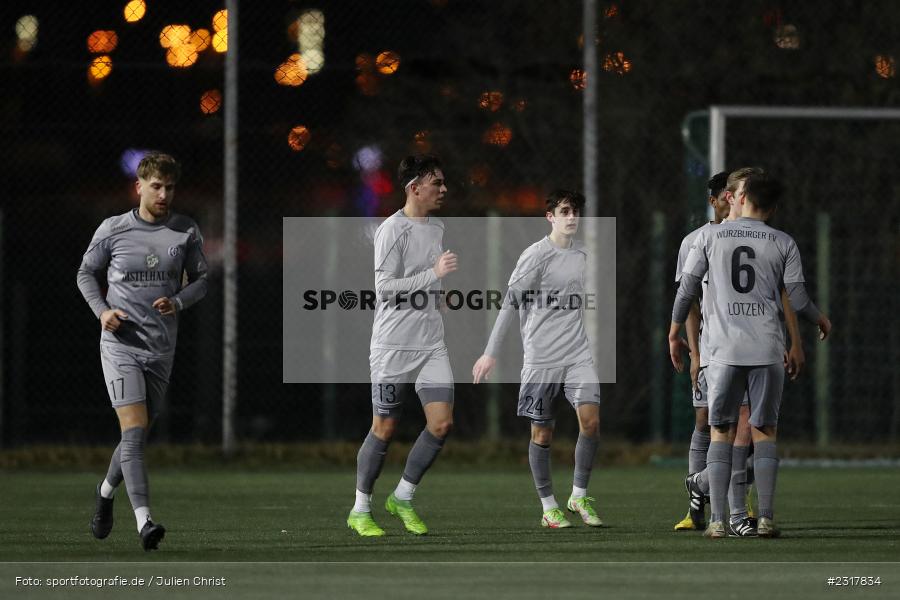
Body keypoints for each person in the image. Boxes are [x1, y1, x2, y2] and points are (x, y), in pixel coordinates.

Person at [669, 170, 831, 539]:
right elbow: (798, 299)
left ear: (740, 198)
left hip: (723, 350)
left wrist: (674, 330)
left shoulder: (708, 237)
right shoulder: (783, 241)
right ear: (773, 208)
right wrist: (820, 319)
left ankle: (717, 520)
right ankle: (767, 518)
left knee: (721, 431)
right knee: (765, 432)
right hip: (767, 349)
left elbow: (686, 292)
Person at [77, 152, 208, 550]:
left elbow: (202, 280)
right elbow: (86, 273)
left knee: (136, 437)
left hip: (161, 349)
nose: (164, 194)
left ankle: (104, 492)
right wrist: (103, 312)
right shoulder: (114, 229)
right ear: (139, 187)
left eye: (170, 187)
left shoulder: (185, 231)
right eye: (156, 187)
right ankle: (145, 522)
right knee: (133, 431)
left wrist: (179, 301)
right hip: (121, 347)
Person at [472, 190, 603, 529]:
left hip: (577, 354)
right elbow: (510, 303)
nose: (572, 217)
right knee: (542, 434)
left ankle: (579, 495)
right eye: (565, 211)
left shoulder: (583, 254)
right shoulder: (535, 255)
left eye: (575, 211)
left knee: (590, 421)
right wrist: (490, 352)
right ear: (550, 217)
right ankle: (548, 507)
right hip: (541, 357)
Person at [347, 154, 456, 537]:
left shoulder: (436, 227)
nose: (443, 189)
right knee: (384, 427)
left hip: (431, 345)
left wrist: (439, 295)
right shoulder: (392, 230)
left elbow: (425, 279)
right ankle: (360, 510)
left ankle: (403, 497)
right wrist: (432, 275)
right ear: (414, 188)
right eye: (436, 183)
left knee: (441, 424)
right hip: (393, 346)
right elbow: (385, 289)